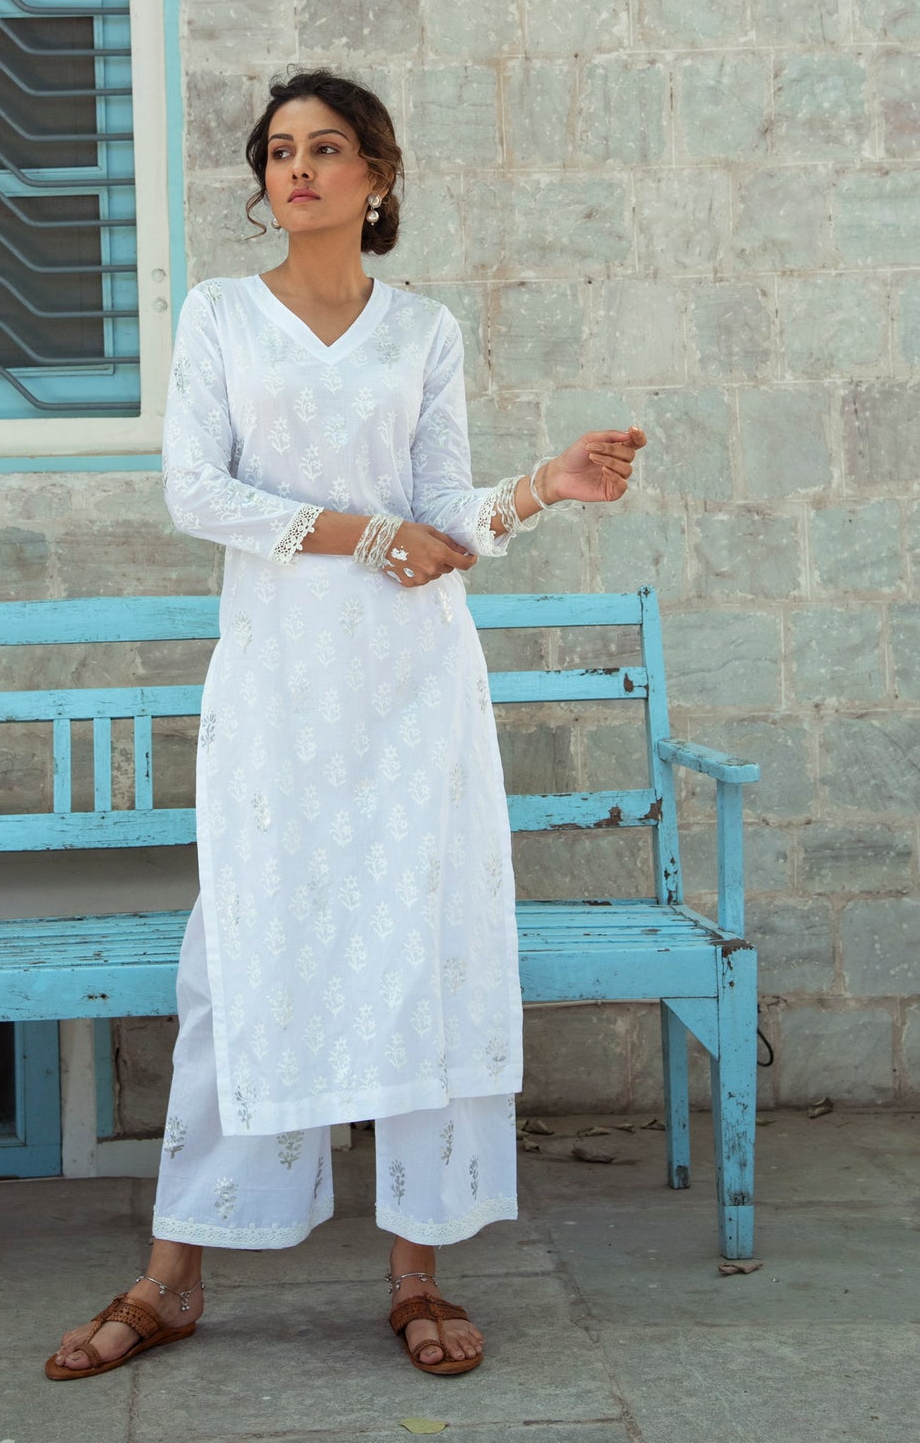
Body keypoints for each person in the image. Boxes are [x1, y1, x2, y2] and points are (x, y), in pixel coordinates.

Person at [47, 68, 646, 1382]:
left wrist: (541, 487)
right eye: (278, 152)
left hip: (412, 687)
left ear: (376, 175)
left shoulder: (421, 329)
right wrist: (362, 535)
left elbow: (441, 516)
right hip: (279, 687)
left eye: (325, 149)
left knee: (419, 953)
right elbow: (196, 492)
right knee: (241, 963)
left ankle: (417, 1273)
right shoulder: (220, 316)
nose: (298, 170)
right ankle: (173, 1276)